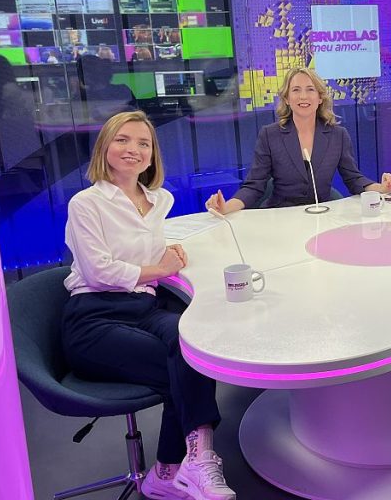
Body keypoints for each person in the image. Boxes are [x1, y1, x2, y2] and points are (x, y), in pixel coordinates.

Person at [62, 111, 236, 500]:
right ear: (105, 146)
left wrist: (169, 252)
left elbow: (147, 249)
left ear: (152, 155)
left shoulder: (160, 200)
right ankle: (185, 465)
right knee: (184, 368)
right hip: (93, 318)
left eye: (143, 143)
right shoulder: (86, 203)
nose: (133, 150)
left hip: (143, 307)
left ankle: (176, 469)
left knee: (191, 341)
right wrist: (159, 266)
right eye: (123, 140)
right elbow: (98, 271)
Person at [206, 67, 391, 212]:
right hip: (281, 216)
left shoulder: (338, 135)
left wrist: (381, 188)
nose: (303, 96)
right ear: (287, 99)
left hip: (322, 217)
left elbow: (354, 179)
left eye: (310, 90)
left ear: (320, 97)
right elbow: (254, 186)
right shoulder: (270, 135)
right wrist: (226, 207)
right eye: (296, 90)